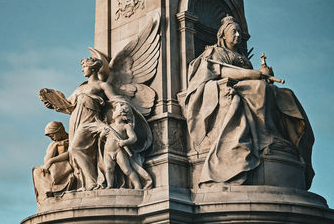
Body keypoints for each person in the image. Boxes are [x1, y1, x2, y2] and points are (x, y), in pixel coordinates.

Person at [182, 15, 314, 188]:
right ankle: (265, 138)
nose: (238, 35)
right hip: (229, 88)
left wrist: (263, 74)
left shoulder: (241, 56)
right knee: (260, 89)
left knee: (286, 95)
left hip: (247, 87)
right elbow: (221, 72)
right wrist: (254, 75)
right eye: (233, 32)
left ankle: (279, 137)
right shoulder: (214, 52)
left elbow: (253, 77)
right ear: (223, 35)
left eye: (239, 32)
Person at [102, 102, 152, 189]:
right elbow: (102, 138)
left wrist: (124, 142)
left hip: (119, 151)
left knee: (127, 170)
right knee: (108, 169)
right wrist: (102, 134)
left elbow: (133, 138)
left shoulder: (126, 126)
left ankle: (137, 185)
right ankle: (110, 185)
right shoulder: (110, 126)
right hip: (107, 152)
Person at [32, 121, 76, 202]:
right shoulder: (53, 144)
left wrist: (52, 160)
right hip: (55, 166)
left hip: (68, 165)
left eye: (52, 135)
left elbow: (71, 153)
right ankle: (47, 195)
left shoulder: (72, 139)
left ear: (59, 131)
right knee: (36, 171)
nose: (51, 138)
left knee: (52, 167)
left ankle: (54, 191)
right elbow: (46, 160)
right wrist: (55, 146)